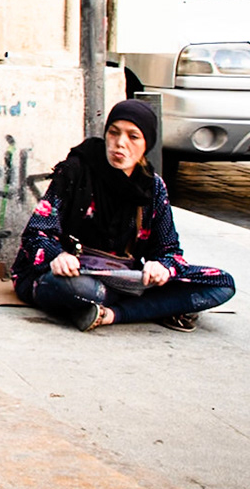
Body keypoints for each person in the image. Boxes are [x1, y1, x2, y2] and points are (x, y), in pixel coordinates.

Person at [12, 99, 236, 332]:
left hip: (125, 278)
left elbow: (169, 250)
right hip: (75, 275)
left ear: (146, 143)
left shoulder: (153, 187)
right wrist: (56, 256)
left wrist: (161, 266)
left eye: (133, 137)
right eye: (114, 133)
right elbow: (36, 232)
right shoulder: (76, 170)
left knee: (220, 283)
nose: (120, 144)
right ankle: (154, 307)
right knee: (78, 289)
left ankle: (111, 314)